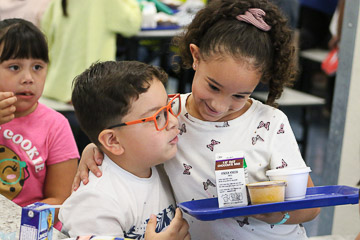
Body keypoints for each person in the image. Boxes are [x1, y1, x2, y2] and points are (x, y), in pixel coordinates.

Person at [74, 0, 321, 239]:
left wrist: (275, 215)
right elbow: (130, 132)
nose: (219, 105)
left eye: (239, 95)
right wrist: (96, 148)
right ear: (196, 56)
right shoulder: (170, 113)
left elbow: (311, 207)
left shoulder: (270, 123)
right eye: (213, 87)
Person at [59, 61, 190, 240]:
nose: (174, 121)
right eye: (157, 116)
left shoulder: (157, 160)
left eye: (169, 109)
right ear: (112, 140)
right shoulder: (96, 202)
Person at [0, 18, 79, 225]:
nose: (28, 78)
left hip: (31, 227)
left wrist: (16, 225)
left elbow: (61, 201)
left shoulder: (56, 125)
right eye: (14, 67)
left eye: (37, 67)